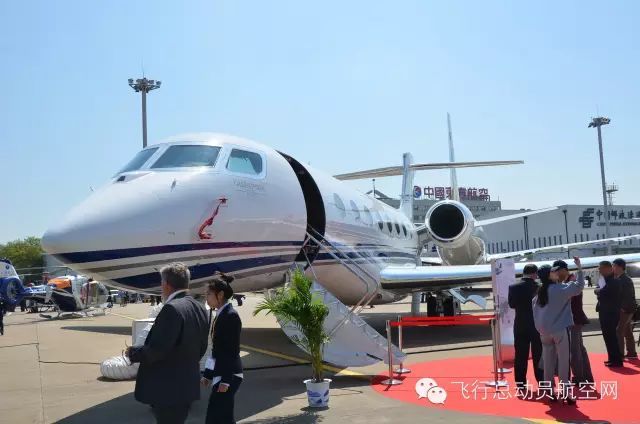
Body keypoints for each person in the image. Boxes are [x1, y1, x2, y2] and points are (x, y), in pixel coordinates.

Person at [126, 263, 209, 424]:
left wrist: (133, 353)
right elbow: (202, 347)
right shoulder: (199, 307)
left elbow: (157, 350)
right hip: (187, 386)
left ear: (166, 284)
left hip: (168, 390)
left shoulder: (171, 309)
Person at [533, 257, 585, 404]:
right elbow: (579, 286)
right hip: (560, 331)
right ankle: (566, 393)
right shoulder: (560, 289)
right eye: (553, 272)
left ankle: (550, 391)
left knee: (548, 363)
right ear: (549, 275)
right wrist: (579, 268)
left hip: (544, 332)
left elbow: (535, 313)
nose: (556, 273)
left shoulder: (539, 294)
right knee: (564, 362)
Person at [202, 273, 243, 424]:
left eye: (208, 294)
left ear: (220, 295)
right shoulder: (221, 314)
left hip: (229, 374)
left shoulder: (230, 316)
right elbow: (216, 350)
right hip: (222, 372)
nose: (206, 297)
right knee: (222, 416)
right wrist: (208, 374)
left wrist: (225, 380)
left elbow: (231, 351)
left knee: (216, 417)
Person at [552, 260, 593, 384]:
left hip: (573, 321)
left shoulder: (570, 282)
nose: (555, 273)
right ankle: (585, 377)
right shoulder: (567, 282)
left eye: (557, 271)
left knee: (575, 351)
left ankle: (580, 378)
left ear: (564, 270)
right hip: (574, 320)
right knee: (579, 349)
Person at [508, 263, 543, 389]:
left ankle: (520, 383)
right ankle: (541, 381)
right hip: (537, 325)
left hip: (520, 324)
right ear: (534, 274)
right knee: (538, 354)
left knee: (520, 355)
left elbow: (512, 305)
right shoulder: (539, 287)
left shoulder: (513, 287)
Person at [595, 261, 623, 367]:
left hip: (610, 313)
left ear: (608, 268)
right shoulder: (605, 279)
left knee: (611, 337)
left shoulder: (614, 280)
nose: (599, 270)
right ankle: (612, 358)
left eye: (601, 268)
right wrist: (599, 290)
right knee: (608, 337)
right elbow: (600, 291)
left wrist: (598, 291)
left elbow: (602, 292)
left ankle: (617, 360)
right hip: (605, 311)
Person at [613, 258, 638, 359]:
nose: (613, 268)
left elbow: (628, 296)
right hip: (628, 309)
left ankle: (620, 355)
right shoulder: (622, 278)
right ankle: (631, 353)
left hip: (626, 309)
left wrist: (623, 308)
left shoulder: (624, 279)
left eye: (614, 266)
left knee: (619, 331)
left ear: (620, 267)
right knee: (627, 331)